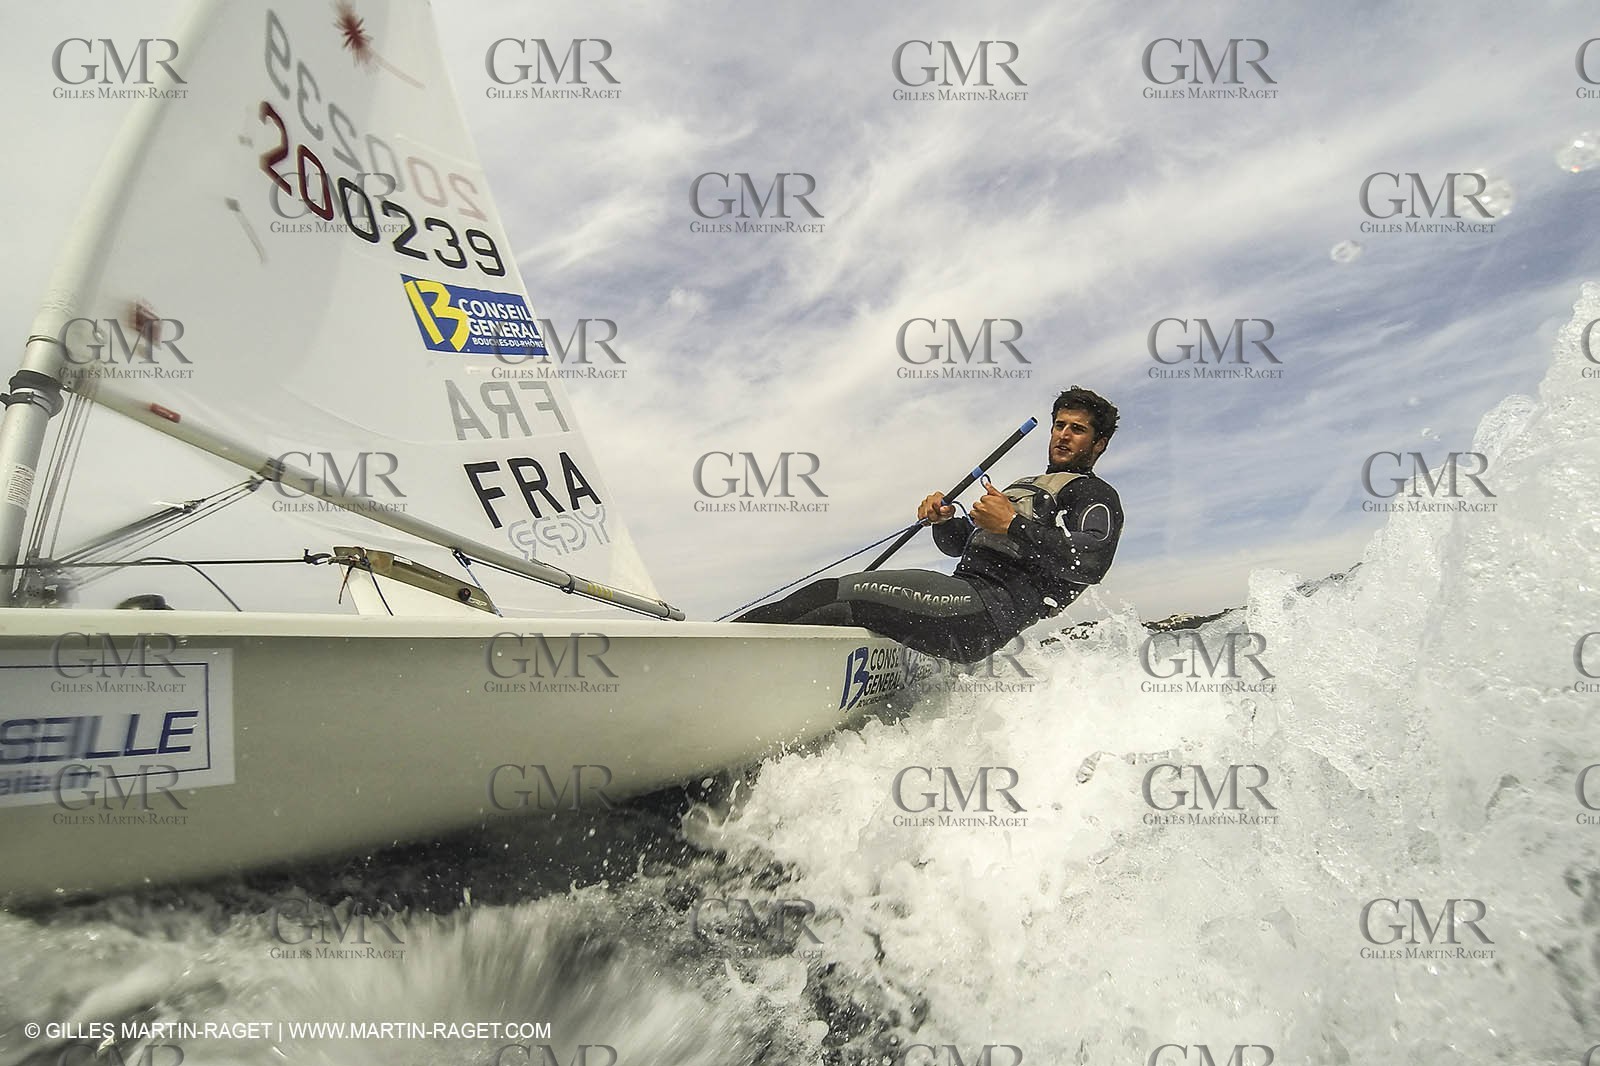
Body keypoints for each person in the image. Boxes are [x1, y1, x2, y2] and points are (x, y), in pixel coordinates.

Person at [736, 386, 1123, 662]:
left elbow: (1090, 564)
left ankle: (719, 647)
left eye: (1077, 429)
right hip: (964, 599)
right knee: (834, 614)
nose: (1063, 435)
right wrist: (946, 521)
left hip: (985, 610)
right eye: (1059, 425)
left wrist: (1011, 525)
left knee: (834, 593)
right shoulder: (1031, 485)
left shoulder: (1094, 495)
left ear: (1099, 443)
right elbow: (963, 547)